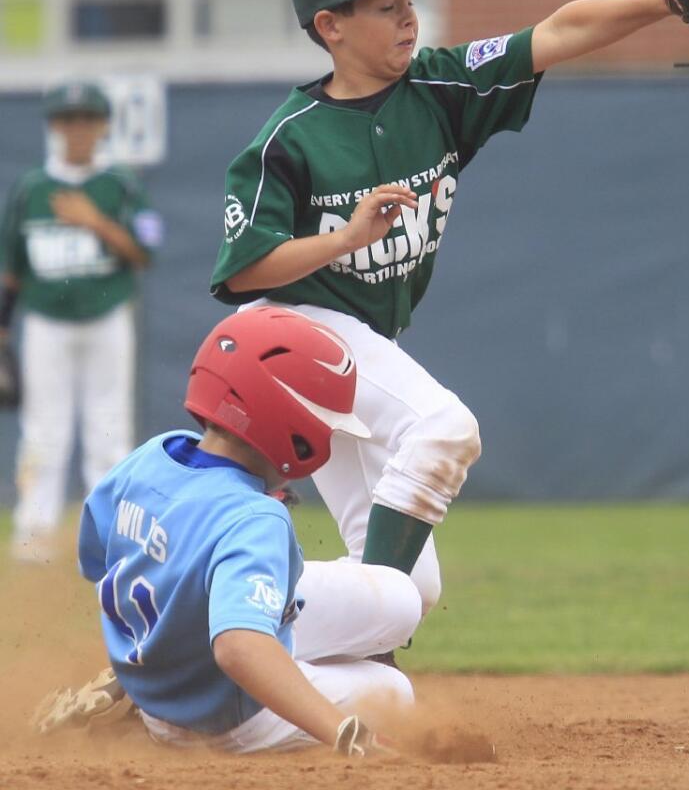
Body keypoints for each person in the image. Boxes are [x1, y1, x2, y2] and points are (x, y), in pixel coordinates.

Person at [209, 0, 676, 618]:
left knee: (409, 590)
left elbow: (557, 30)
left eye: (409, 0)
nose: (408, 17)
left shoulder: (440, 86)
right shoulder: (291, 134)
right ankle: (271, 631)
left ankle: (221, 626)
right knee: (442, 428)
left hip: (360, 348)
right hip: (285, 337)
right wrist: (344, 240)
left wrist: (668, 2)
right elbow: (244, 272)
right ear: (329, 26)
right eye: (385, 6)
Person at [34, 305, 420, 755]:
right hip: (230, 720)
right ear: (291, 422)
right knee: (395, 691)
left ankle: (144, 690)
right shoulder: (255, 517)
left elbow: (96, 558)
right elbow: (239, 649)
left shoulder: (150, 457)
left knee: (401, 598)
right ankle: (268, 680)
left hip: (155, 675)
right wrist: (343, 732)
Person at [0, 82, 161, 562]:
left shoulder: (121, 185)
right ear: (54, 127)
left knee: (108, 423)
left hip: (107, 315)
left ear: (103, 126)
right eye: (68, 120)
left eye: (87, 120)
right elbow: (11, 269)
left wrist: (96, 221)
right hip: (46, 321)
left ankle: (111, 531)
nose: (77, 130)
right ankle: (34, 527)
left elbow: (146, 251)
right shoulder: (32, 188)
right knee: (43, 426)